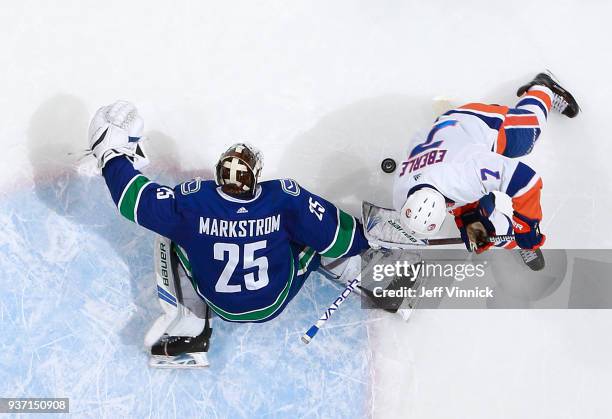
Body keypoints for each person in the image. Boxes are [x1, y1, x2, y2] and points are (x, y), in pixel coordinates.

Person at [87, 101, 370, 367]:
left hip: (221, 303)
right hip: (273, 300)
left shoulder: (192, 205)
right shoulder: (283, 199)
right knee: (315, 233)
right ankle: (367, 276)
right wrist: (371, 233)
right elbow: (340, 237)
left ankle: (188, 330)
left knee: (171, 235)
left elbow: (133, 199)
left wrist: (110, 155)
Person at [393, 71, 580, 255]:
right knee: (481, 222)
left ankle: (543, 87)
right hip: (441, 139)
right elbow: (453, 192)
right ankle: (511, 239)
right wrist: (469, 219)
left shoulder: (466, 170)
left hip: (476, 122)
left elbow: (525, 182)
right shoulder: (400, 195)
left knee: (528, 135)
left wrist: (526, 226)